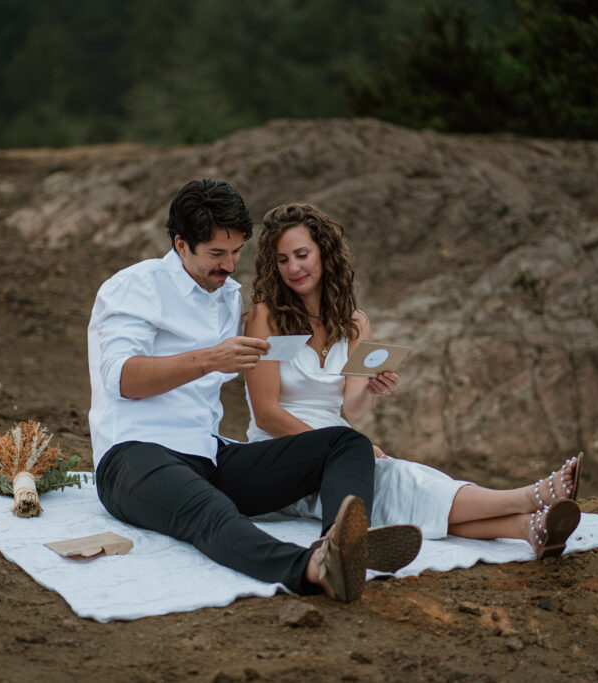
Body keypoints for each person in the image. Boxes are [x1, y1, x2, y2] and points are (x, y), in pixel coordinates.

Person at [87, 179, 420, 604]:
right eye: (216, 254)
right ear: (181, 245)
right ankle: (310, 569)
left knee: (345, 442)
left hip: (207, 455)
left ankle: (338, 544)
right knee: (208, 511)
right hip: (133, 456)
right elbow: (123, 379)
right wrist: (211, 358)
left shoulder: (228, 296)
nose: (229, 264)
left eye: (236, 251)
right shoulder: (135, 286)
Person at [244, 203, 583, 559]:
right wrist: (340, 446)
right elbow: (266, 414)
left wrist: (370, 390)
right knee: (396, 483)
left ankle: (527, 529)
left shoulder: (355, 323)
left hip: (340, 445)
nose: (293, 268)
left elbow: (353, 408)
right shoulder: (266, 317)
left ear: (324, 254)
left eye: (301, 254)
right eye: (282, 260)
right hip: (281, 453)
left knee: (407, 485)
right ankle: (530, 496)